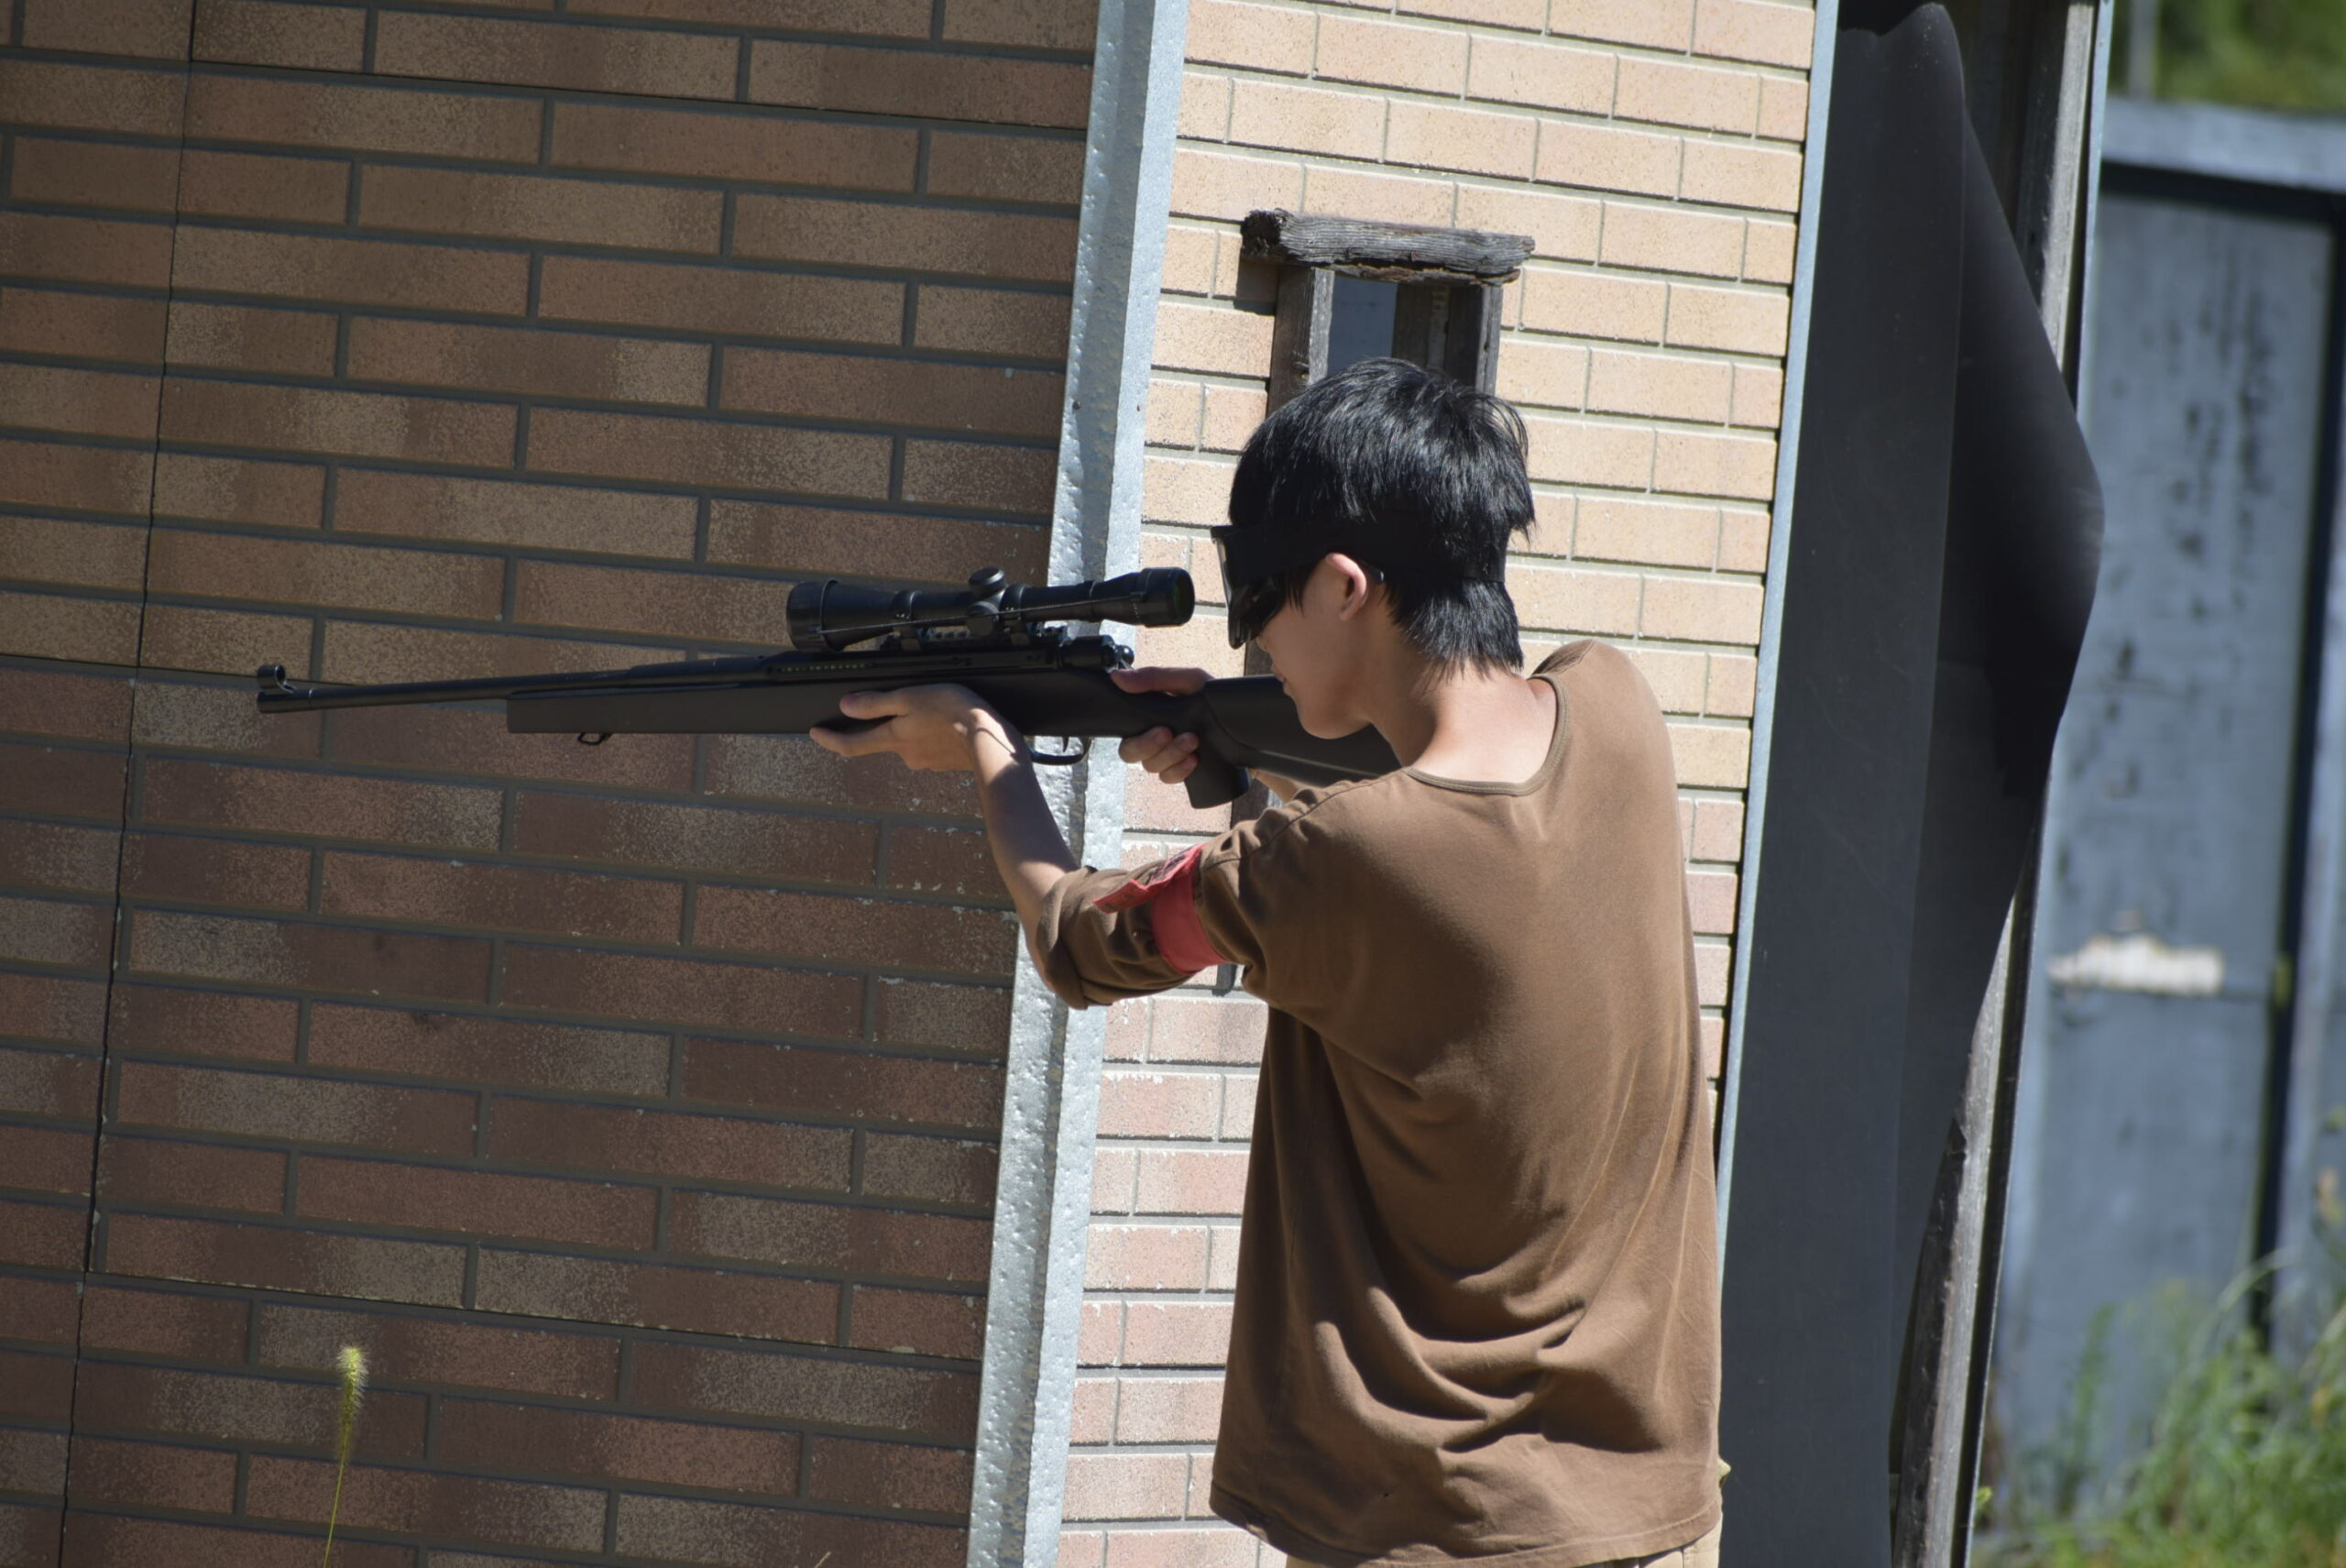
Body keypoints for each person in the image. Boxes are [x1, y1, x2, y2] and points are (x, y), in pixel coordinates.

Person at [812, 357, 1723, 1568]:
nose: (1255, 642)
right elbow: (1438, 815)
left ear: (1345, 587)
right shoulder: (1614, 703)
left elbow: (1079, 939)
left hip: (1437, 1521)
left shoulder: (1339, 859)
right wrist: (1236, 749)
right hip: (1631, 1502)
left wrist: (987, 750)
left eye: (1260, 608)